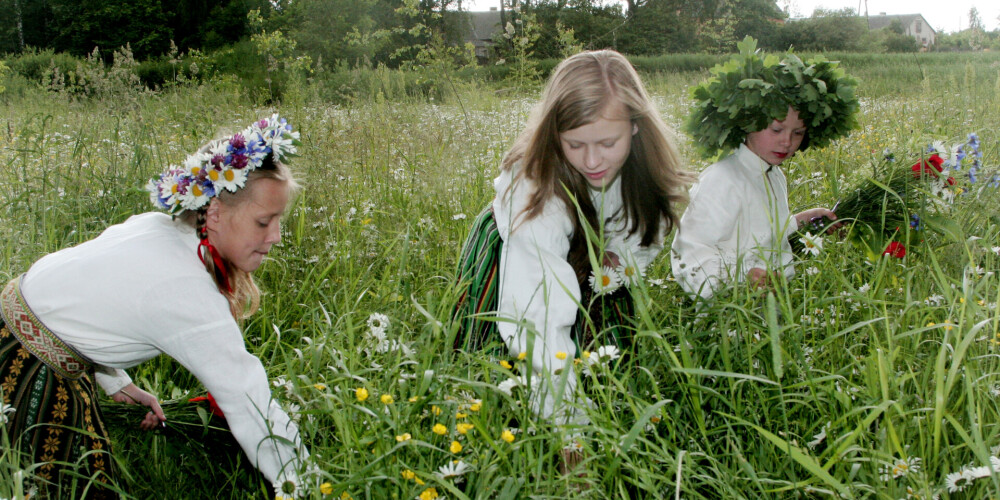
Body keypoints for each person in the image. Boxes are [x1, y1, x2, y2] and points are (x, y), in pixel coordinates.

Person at [0, 114, 308, 497]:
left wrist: (119, 384)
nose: (276, 236)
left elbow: (88, 303)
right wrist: (309, 486)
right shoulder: (186, 287)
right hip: (24, 367)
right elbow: (250, 405)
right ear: (213, 214)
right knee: (58, 486)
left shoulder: (158, 228)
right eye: (264, 222)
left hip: (16, 333)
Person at [452, 50, 692, 429]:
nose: (593, 161)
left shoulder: (645, 168)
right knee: (498, 374)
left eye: (607, 143)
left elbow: (647, 231)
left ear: (635, 125)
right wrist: (569, 427)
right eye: (575, 145)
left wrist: (619, 257)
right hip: (515, 261)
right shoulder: (535, 191)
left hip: (595, 262)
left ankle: (599, 408)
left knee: (604, 369)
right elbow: (535, 317)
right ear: (554, 134)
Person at [671, 37, 859, 301]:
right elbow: (689, 252)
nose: (787, 141)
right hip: (729, 315)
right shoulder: (722, 179)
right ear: (749, 122)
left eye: (798, 132)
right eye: (776, 129)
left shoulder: (774, 175)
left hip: (773, 307)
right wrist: (741, 279)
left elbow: (762, 236)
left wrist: (801, 221)